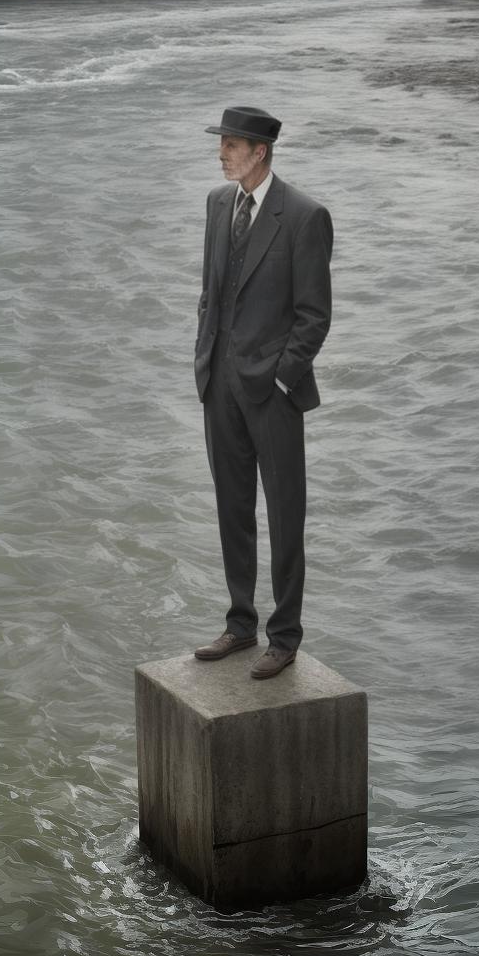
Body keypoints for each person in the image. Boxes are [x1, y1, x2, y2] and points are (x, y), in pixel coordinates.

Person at [192, 106, 332, 680]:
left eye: (230, 144)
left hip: (272, 392)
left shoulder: (303, 216)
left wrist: (280, 377)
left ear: (260, 152)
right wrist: (204, 360)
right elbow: (210, 292)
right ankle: (240, 624)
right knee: (232, 509)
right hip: (218, 383)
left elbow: (314, 316)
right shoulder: (217, 204)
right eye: (221, 143)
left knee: (285, 512)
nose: (221, 153)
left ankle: (286, 635)